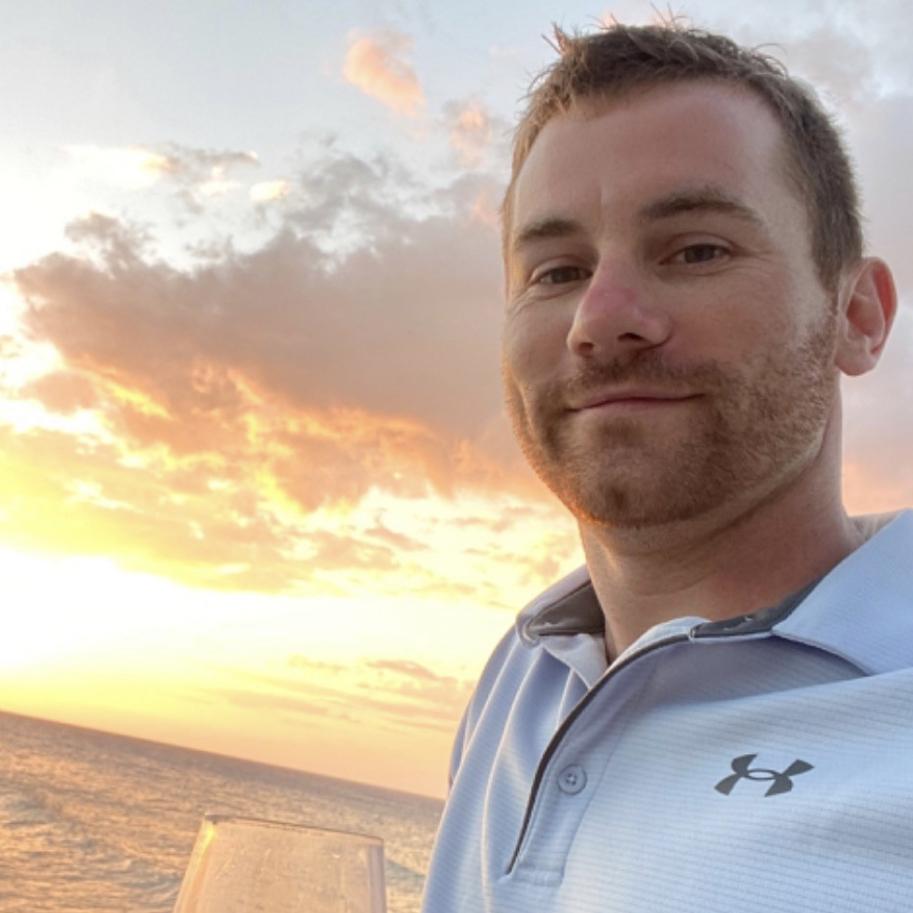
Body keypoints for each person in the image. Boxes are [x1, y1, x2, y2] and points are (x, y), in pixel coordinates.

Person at [420, 20, 911, 913]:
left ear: (856, 316)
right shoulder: (524, 677)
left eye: (695, 250)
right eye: (555, 271)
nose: (600, 319)